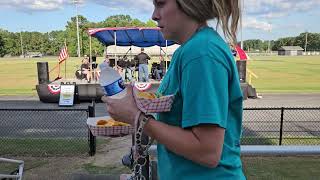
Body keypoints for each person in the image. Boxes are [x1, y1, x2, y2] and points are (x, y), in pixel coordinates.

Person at [103, 0, 245, 179]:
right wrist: (135, 120)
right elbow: (176, 124)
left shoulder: (201, 53)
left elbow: (207, 152)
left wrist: (136, 118)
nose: (154, 15)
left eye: (161, 4)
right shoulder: (188, 51)